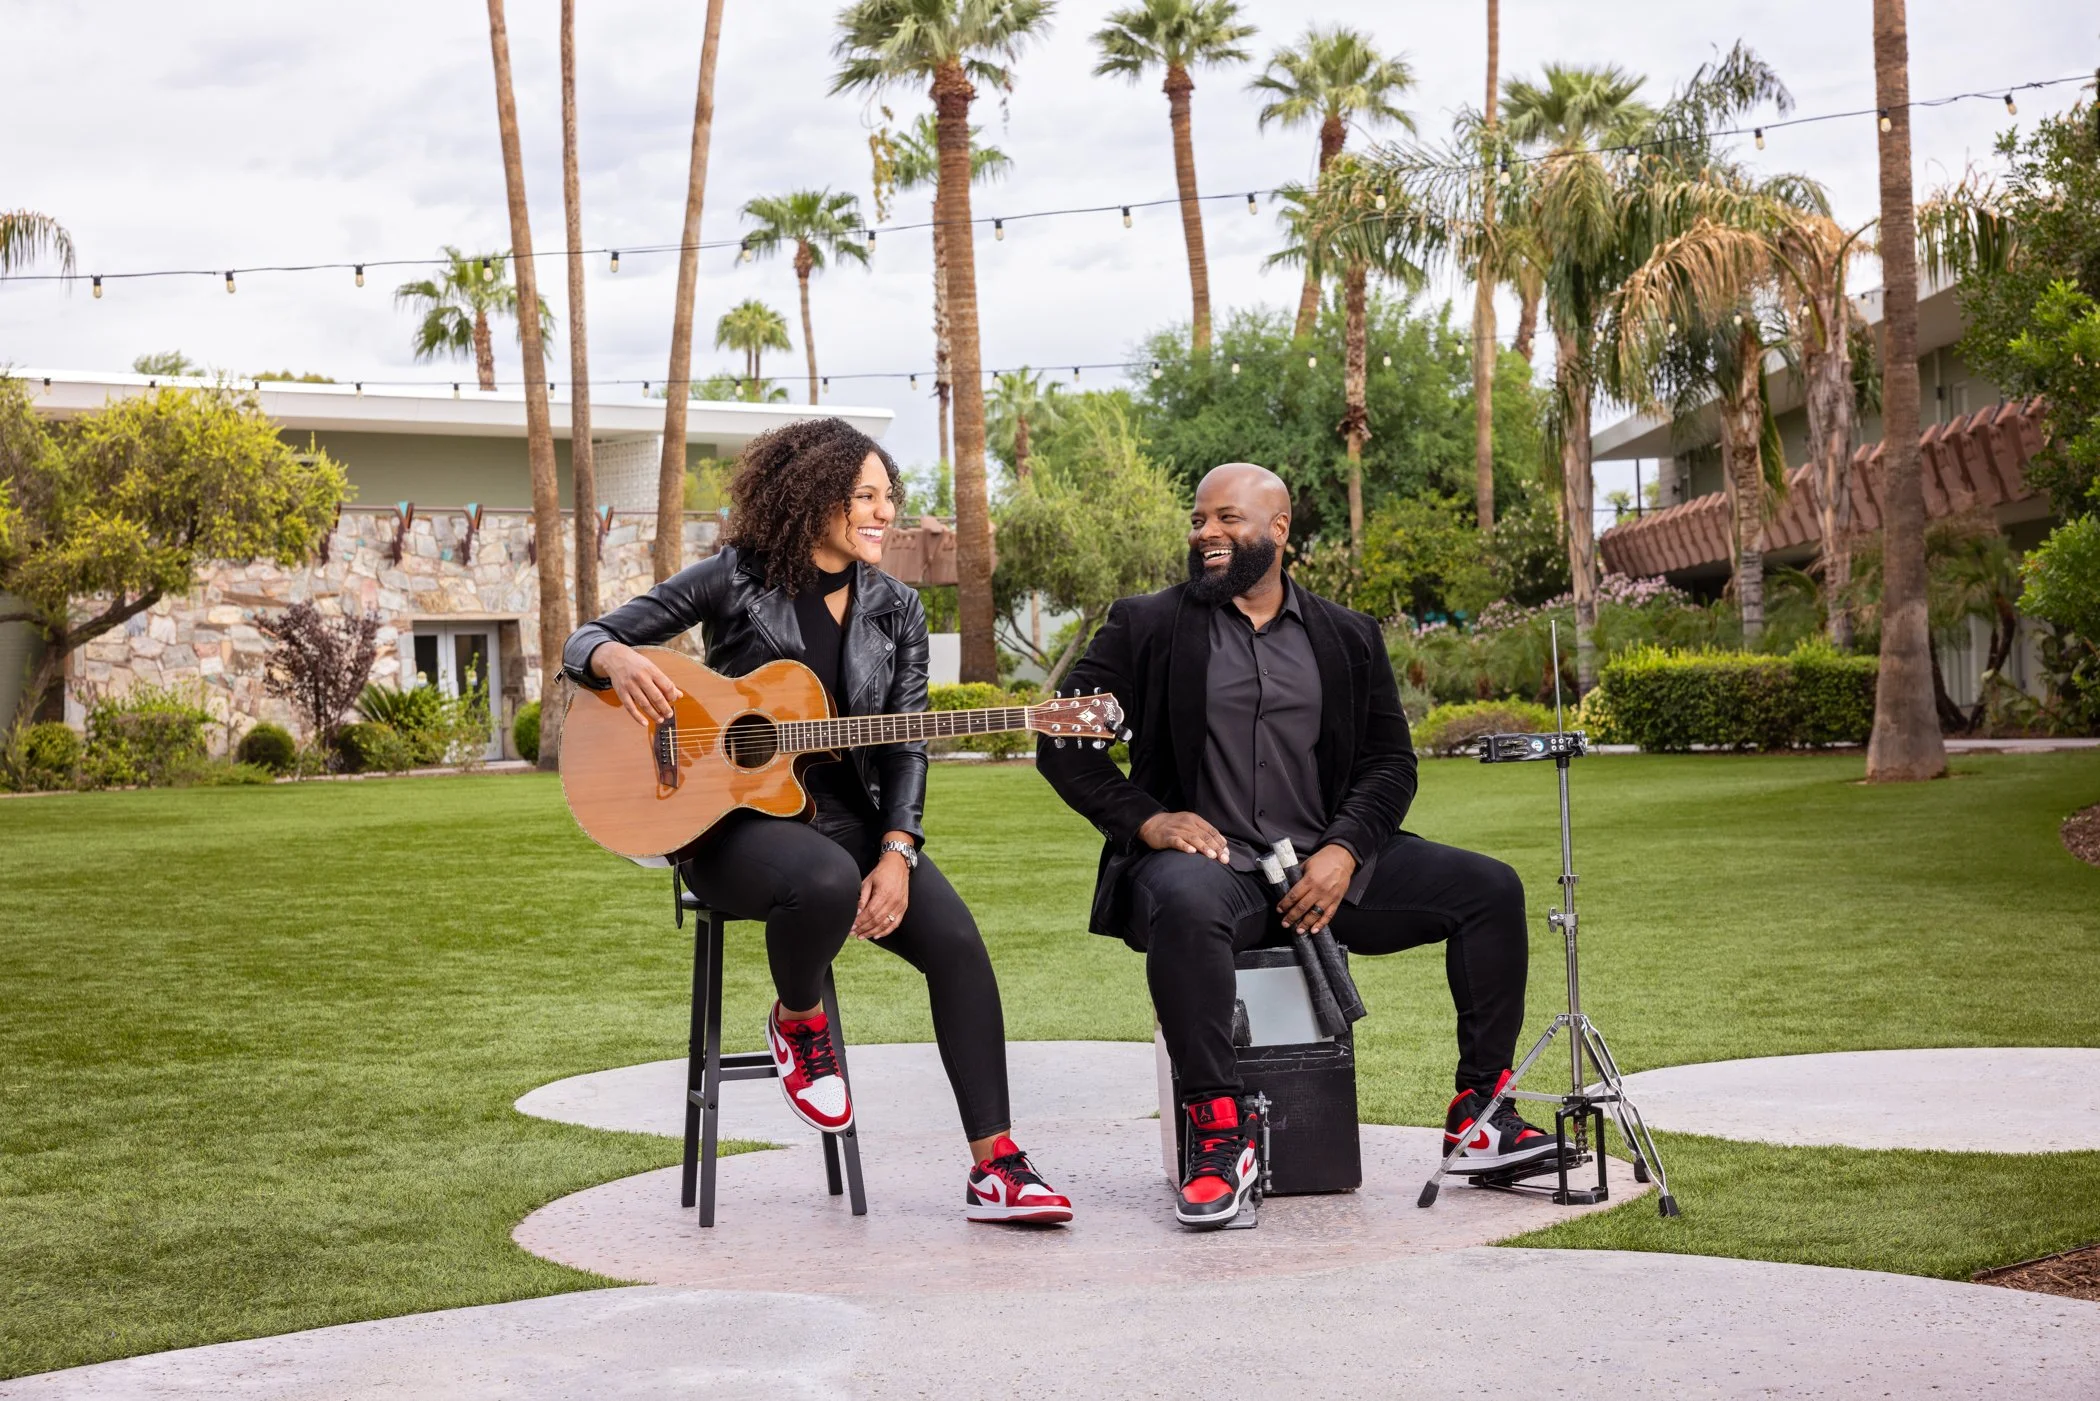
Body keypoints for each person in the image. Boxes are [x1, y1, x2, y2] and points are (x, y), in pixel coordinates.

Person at [563, 417, 1072, 1225]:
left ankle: (997, 1167)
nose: (884, 511)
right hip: (727, 825)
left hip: (852, 820)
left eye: (889, 497)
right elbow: (584, 639)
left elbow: (906, 744)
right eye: (865, 495)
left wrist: (899, 850)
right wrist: (615, 657)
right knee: (825, 880)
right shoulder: (736, 577)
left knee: (959, 947)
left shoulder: (895, 609)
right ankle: (799, 1020)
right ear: (816, 497)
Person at [1038, 462, 1559, 1229]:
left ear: (1278, 531)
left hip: (1325, 871)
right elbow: (1059, 738)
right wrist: (1150, 822)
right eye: (1198, 520)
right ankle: (1219, 1134)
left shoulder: (1347, 635)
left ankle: (1480, 1113)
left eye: (1227, 519)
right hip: (1217, 876)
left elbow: (1390, 763)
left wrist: (1345, 850)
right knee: (1184, 899)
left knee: (1490, 889)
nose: (1206, 534)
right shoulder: (1145, 625)